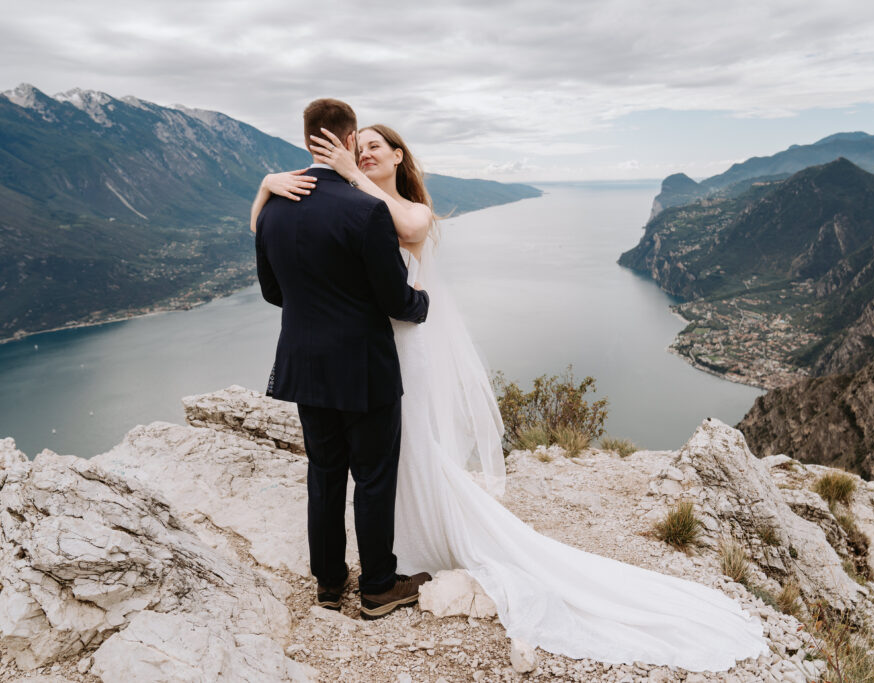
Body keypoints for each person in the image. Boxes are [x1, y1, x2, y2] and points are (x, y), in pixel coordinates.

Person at [253, 122, 769, 670]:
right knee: (368, 467)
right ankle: (375, 575)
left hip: (387, 353)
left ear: (400, 156)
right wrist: (268, 186)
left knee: (387, 457)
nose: (363, 155)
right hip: (372, 353)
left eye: (374, 147)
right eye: (358, 149)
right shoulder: (349, 209)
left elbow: (399, 231)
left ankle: (380, 561)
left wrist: (350, 174)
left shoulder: (402, 210)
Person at [253, 98, 432, 621]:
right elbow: (396, 300)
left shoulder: (273, 210)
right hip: (364, 367)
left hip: (305, 366)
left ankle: (329, 584)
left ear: (306, 140)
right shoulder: (366, 209)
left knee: (324, 476)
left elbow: (272, 293)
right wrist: (422, 300)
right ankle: (378, 586)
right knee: (374, 478)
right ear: (350, 140)